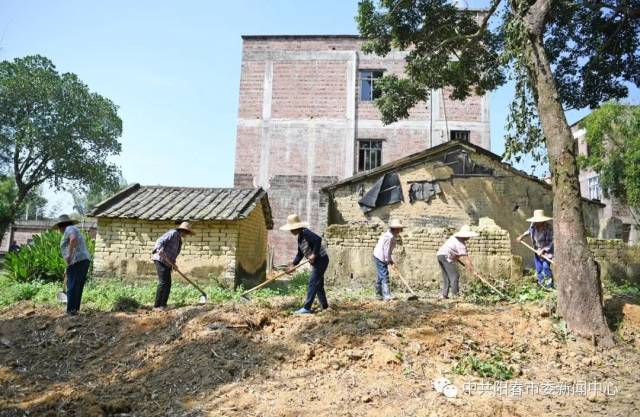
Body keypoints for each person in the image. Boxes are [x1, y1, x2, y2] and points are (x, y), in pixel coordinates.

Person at [280, 214, 329, 314]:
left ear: (296, 227)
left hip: (321, 260)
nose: (290, 231)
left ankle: (307, 307)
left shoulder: (306, 233)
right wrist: (294, 265)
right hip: (317, 262)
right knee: (318, 284)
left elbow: (318, 240)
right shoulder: (300, 238)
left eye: (291, 229)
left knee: (313, 282)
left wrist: (314, 254)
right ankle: (325, 306)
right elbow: (300, 253)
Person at [150, 221, 194, 311]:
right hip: (160, 259)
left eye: (188, 232)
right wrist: (159, 249)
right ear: (183, 230)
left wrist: (174, 264)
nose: (187, 234)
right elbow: (160, 240)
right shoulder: (173, 233)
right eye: (186, 232)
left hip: (168, 262)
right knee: (163, 282)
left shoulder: (179, 241)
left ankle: (163, 305)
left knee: (168, 284)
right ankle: (157, 306)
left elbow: (173, 254)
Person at [54, 214, 91, 315]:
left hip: (78, 260)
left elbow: (73, 239)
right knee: (76, 285)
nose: (58, 230)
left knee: (72, 286)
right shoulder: (72, 228)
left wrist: (69, 255)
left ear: (62, 225)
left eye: (58, 227)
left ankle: (70, 311)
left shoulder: (69, 228)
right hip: (80, 261)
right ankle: (74, 311)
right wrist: (68, 264)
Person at [436, 225, 478, 299]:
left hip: (440, 255)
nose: (469, 238)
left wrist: (455, 257)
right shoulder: (461, 244)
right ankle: (455, 295)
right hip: (446, 257)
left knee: (446, 276)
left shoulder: (453, 238)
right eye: (468, 236)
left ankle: (444, 295)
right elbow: (466, 258)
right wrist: (472, 270)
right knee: (455, 276)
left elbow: (451, 249)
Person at [516, 209, 554, 288]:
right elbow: (529, 231)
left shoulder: (549, 228)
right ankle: (541, 286)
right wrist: (521, 236)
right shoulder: (533, 225)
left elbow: (551, 242)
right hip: (536, 251)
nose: (537, 223)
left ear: (543, 221)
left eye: (539, 221)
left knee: (546, 267)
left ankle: (549, 287)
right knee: (539, 269)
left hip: (547, 252)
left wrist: (543, 250)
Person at [373, 218, 404, 301]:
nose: (400, 230)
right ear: (395, 228)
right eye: (399, 228)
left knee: (381, 275)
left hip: (379, 255)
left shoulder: (390, 235)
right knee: (384, 275)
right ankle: (387, 295)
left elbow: (387, 251)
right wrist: (389, 261)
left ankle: (378, 295)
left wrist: (390, 261)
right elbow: (386, 250)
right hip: (380, 256)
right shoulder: (389, 237)